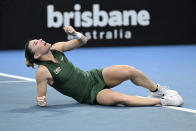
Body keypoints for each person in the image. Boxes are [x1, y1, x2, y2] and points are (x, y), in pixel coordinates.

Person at [24, 26, 184, 107]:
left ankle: (157, 91)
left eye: (38, 39)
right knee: (120, 98)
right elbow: (41, 98)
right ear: (36, 55)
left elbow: (82, 41)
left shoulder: (57, 48)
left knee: (130, 71)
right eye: (36, 43)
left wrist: (75, 34)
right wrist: (41, 100)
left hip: (93, 76)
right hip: (90, 95)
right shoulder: (42, 72)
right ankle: (163, 102)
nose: (40, 39)